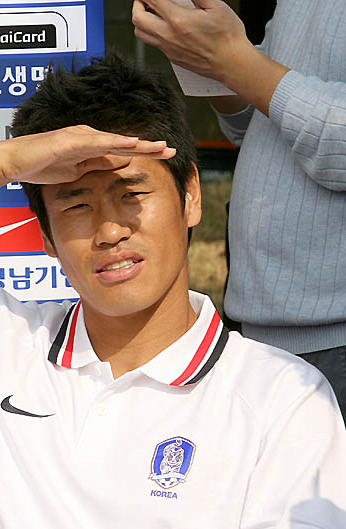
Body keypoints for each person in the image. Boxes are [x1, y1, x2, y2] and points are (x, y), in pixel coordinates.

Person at [0, 54, 346, 529]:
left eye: (131, 194)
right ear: (46, 237)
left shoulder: (282, 393)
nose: (109, 230)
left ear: (191, 196)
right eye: (76, 205)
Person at [132, 0, 346, 423]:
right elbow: (258, 124)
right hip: (262, 328)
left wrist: (235, 62)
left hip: (332, 340)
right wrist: (203, 56)